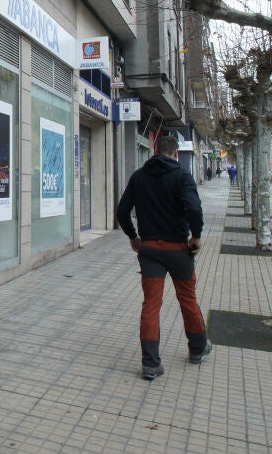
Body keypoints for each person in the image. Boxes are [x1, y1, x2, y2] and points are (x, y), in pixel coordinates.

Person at [115, 134, 211, 380]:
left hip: (149, 251)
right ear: (176, 153)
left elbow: (122, 211)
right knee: (187, 298)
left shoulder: (139, 176)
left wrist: (133, 237)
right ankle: (197, 348)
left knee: (151, 303)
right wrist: (196, 236)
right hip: (178, 250)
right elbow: (194, 208)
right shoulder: (182, 176)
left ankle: (150, 363)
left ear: (154, 150)